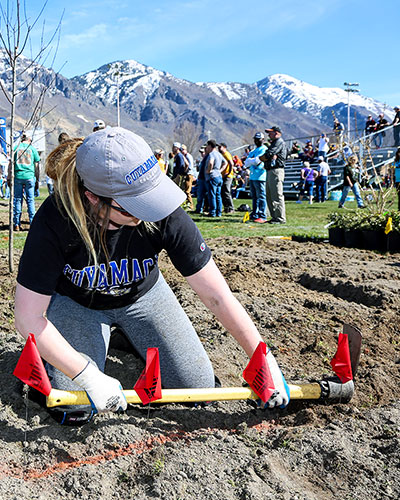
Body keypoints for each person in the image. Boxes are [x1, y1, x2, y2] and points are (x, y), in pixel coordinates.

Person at [13, 127, 290, 425]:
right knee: (75, 404)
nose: (146, 214)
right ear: (93, 198)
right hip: (80, 305)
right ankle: (94, 344)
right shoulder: (55, 220)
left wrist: (262, 356)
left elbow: (218, 296)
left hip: (145, 298)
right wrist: (88, 374)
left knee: (198, 387)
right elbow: (27, 318)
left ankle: (125, 337)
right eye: (133, 207)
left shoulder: (162, 210)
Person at [11, 134, 40, 231]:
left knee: (17, 200)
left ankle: (16, 223)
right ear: (29, 140)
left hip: (18, 176)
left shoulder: (15, 148)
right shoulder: (32, 149)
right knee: (30, 200)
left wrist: (9, 176)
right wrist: (37, 179)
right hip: (29, 176)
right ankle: (32, 222)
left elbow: (11, 164)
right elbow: (36, 166)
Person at [260, 126, 288, 224]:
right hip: (270, 170)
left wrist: (263, 157)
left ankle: (280, 218)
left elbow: (268, 154)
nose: (269, 135)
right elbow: (268, 155)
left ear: (277, 133)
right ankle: (274, 217)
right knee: (270, 195)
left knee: (276, 194)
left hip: (276, 170)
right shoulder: (274, 143)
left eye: (271, 133)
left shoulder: (279, 142)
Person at [244, 132, 267, 223]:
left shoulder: (264, 149)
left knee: (261, 196)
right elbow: (247, 163)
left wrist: (252, 161)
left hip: (260, 176)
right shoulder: (253, 151)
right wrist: (253, 161)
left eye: (259, 139)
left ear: (262, 140)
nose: (257, 141)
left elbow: (258, 162)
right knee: (254, 197)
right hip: (253, 176)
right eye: (256, 139)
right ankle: (255, 213)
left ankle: (262, 215)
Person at [205, 139, 226, 217]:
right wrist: (220, 170)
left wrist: (209, 170)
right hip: (219, 176)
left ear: (210, 146)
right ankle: (219, 212)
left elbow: (211, 162)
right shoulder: (219, 154)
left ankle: (212, 212)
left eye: (207, 146)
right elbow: (225, 163)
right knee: (218, 195)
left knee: (212, 195)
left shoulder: (211, 154)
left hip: (212, 176)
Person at [218, 143, 235, 213]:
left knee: (226, 191)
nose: (219, 148)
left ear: (224, 147)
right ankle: (226, 207)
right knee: (223, 192)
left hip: (228, 176)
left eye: (220, 147)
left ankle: (231, 208)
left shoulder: (226, 154)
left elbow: (231, 163)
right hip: (223, 176)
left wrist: (229, 172)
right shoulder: (222, 155)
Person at [180, 144, 196, 210]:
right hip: (187, 174)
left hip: (189, 174)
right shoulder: (185, 156)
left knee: (187, 191)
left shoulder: (188, 156)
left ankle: (191, 205)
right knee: (185, 190)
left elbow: (190, 167)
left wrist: (185, 170)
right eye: (181, 150)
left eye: (183, 150)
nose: (182, 151)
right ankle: (187, 204)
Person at [194, 146, 208, 214]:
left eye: (203, 152)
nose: (202, 154)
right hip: (201, 179)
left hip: (205, 179)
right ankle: (199, 209)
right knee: (200, 195)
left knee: (206, 195)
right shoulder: (202, 160)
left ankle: (205, 208)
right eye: (201, 152)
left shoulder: (208, 158)